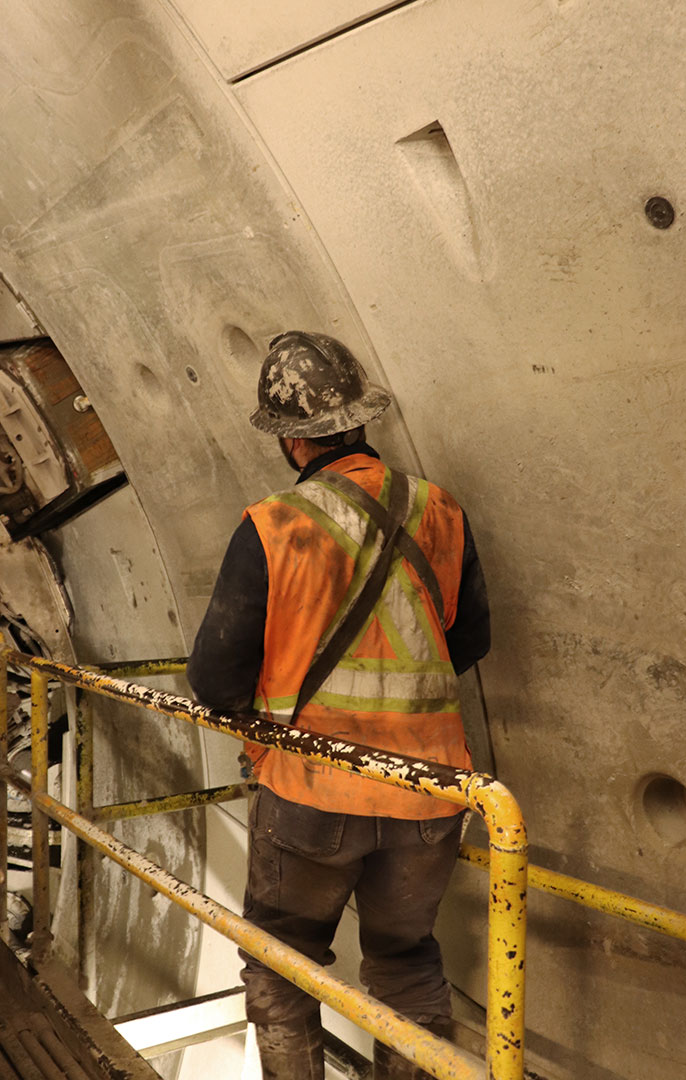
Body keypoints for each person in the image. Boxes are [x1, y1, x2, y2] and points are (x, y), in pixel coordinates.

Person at [188, 331, 490, 1079]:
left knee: (283, 964)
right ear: (361, 419)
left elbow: (214, 679)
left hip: (312, 791)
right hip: (430, 793)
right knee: (406, 958)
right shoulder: (440, 509)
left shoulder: (275, 524)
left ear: (291, 440)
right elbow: (469, 639)